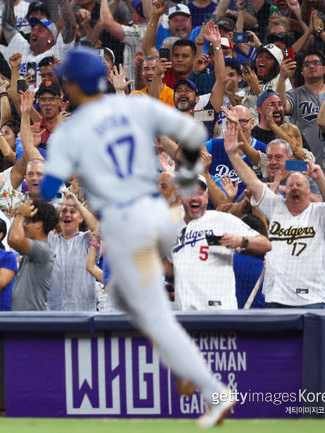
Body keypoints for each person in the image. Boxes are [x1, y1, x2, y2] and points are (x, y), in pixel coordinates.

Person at [40, 47, 236, 426]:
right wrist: (182, 181)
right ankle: (180, 359)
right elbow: (195, 132)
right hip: (161, 214)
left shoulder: (71, 130)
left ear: (75, 84)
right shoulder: (137, 106)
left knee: (152, 314)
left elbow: (48, 187)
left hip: (128, 226)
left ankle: (213, 389)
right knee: (121, 296)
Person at [225, 120, 325, 308]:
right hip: (276, 298)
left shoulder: (317, 209)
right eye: (291, 186)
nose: (294, 188)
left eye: (299, 185)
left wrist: (319, 177)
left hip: (311, 300)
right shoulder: (276, 205)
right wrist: (232, 154)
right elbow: (251, 181)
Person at [170, 176, 271, 310]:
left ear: (206, 197)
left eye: (200, 193)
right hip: (184, 315)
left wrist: (241, 241)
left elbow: (265, 244)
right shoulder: (172, 228)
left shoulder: (221, 220)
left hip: (217, 313)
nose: (194, 197)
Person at [278, 52, 325, 171]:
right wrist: (282, 77)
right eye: (307, 64)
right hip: (306, 163)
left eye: (316, 63)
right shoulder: (295, 94)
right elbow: (282, 107)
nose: (312, 66)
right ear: (302, 71)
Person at [47, 192, 101, 311]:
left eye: (72, 212)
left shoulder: (87, 239)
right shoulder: (50, 240)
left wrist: (77, 203)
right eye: (64, 211)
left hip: (83, 313)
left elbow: (97, 229)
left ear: (81, 218)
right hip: (53, 313)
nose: (67, 215)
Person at [8, 200, 58, 311]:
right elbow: (12, 239)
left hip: (33, 321)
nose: (24, 225)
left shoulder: (44, 250)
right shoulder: (33, 250)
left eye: (27, 221)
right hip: (25, 320)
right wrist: (20, 215)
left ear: (39, 224)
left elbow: (14, 239)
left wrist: (20, 215)